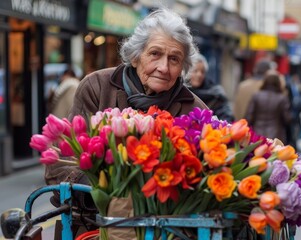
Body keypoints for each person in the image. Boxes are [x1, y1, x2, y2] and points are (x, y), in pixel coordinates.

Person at [44, 8, 208, 239]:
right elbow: (63, 158)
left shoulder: (196, 111)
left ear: (183, 67)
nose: (164, 67)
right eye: (155, 54)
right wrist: (101, 194)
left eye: (174, 59)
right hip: (90, 225)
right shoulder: (97, 87)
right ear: (135, 55)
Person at [245, 73, 292, 143]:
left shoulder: (256, 96)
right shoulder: (282, 98)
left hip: (257, 134)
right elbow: (287, 119)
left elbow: (249, 116)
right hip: (276, 135)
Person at [188, 53, 235, 123]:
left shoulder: (216, 94)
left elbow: (227, 116)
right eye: (195, 71)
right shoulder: (181, 92)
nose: (199, 75)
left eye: (202, 72)